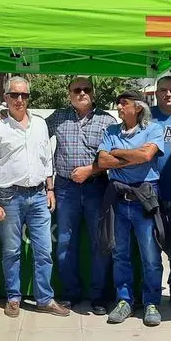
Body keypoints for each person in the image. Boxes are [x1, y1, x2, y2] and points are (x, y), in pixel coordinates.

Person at [0, 77, 70, 318]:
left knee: (44, 250)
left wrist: (50, 189)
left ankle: (45, 299)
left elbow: (46, 160)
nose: (19, 100)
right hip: (9, 197)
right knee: (11, 251)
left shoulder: (40, 125)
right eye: (14, 95)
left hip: (39, 195)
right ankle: (13, 297)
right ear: (7, 98)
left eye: (24, 95)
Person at [46, 77, 117, 314]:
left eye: (86, 89)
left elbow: (114, 157)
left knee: (100, 244)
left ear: (93, 93)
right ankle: (70, 293)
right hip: (65, 189)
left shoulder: (107, 120)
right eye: (76, 90)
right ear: (69, 94)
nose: (82, 93)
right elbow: (32, 133)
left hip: (97, 188)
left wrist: (91, 170)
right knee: (65, 243)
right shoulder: (58, 117)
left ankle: (98, 296)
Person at [97, 90, 165, 326]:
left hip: (144, 198)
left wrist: (117, 152)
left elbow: (147, 156)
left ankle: (152, 302)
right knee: (120, 254)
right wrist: (131, 156)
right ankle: (124, 300)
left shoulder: (153, 129)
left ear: (137, 108)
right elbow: (102, 161)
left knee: (150, 255)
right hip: (117, 198)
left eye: (124, 103)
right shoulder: (111, 131)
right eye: (118, 103)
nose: (119, 107)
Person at [150, 75, 171, 309]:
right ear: (156, 93)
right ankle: (151, 290)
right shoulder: (146, 115)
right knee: (150, 244)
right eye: (163, 90)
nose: (168, 94)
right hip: (149, 192)